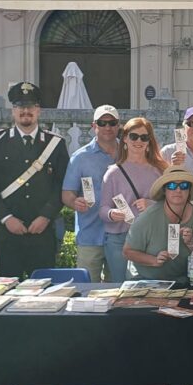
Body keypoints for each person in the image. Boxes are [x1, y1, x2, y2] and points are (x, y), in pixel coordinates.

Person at [0, 82, 69, 280]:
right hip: (7, 233)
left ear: (38, 110)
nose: (25, 111)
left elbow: (62, 185)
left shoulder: (55, 144)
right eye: (20, 106)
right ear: (13, 110)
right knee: (9, 291)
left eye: (30, 106)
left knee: (44, 294)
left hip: (43, 232)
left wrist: (46, 216)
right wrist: (6, 218)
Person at [99, 117, 167, 282]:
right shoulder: (113, 173)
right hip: (120, 238)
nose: (139, 141)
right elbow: (102, 209)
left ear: (149, 141)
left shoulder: (160, 170)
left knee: (152, 288)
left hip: (151, 239)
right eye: (134, 136)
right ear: (125, 138)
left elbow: (174, 204)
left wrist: (152, 204)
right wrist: (111, 213)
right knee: (121, 289)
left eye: (144, 137)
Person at [124, 165, 193, 284]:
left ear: (189, 190)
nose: (178, 190)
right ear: (164, 190)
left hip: (186, 281)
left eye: (184, 185)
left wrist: (192, 244)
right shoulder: (148, 216)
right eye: (171, 186)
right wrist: (154, 260)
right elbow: (128, 252)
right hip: (149, 282)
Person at [62, 105, 120, 282]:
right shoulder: (80, 157)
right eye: (102, 123)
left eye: (112, 123)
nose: (107, 127)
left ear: (119, 125)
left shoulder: (129, 152)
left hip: (121, 234)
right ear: (94, 126)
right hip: (90, 234)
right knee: (87, 291)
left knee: (119, 291)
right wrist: (75, 202)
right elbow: (66, 194)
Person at [160, 106, 193, 177]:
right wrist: (172, 168)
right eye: (191, 124)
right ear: (184, 128)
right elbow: (157, 182)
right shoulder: (168, 152)